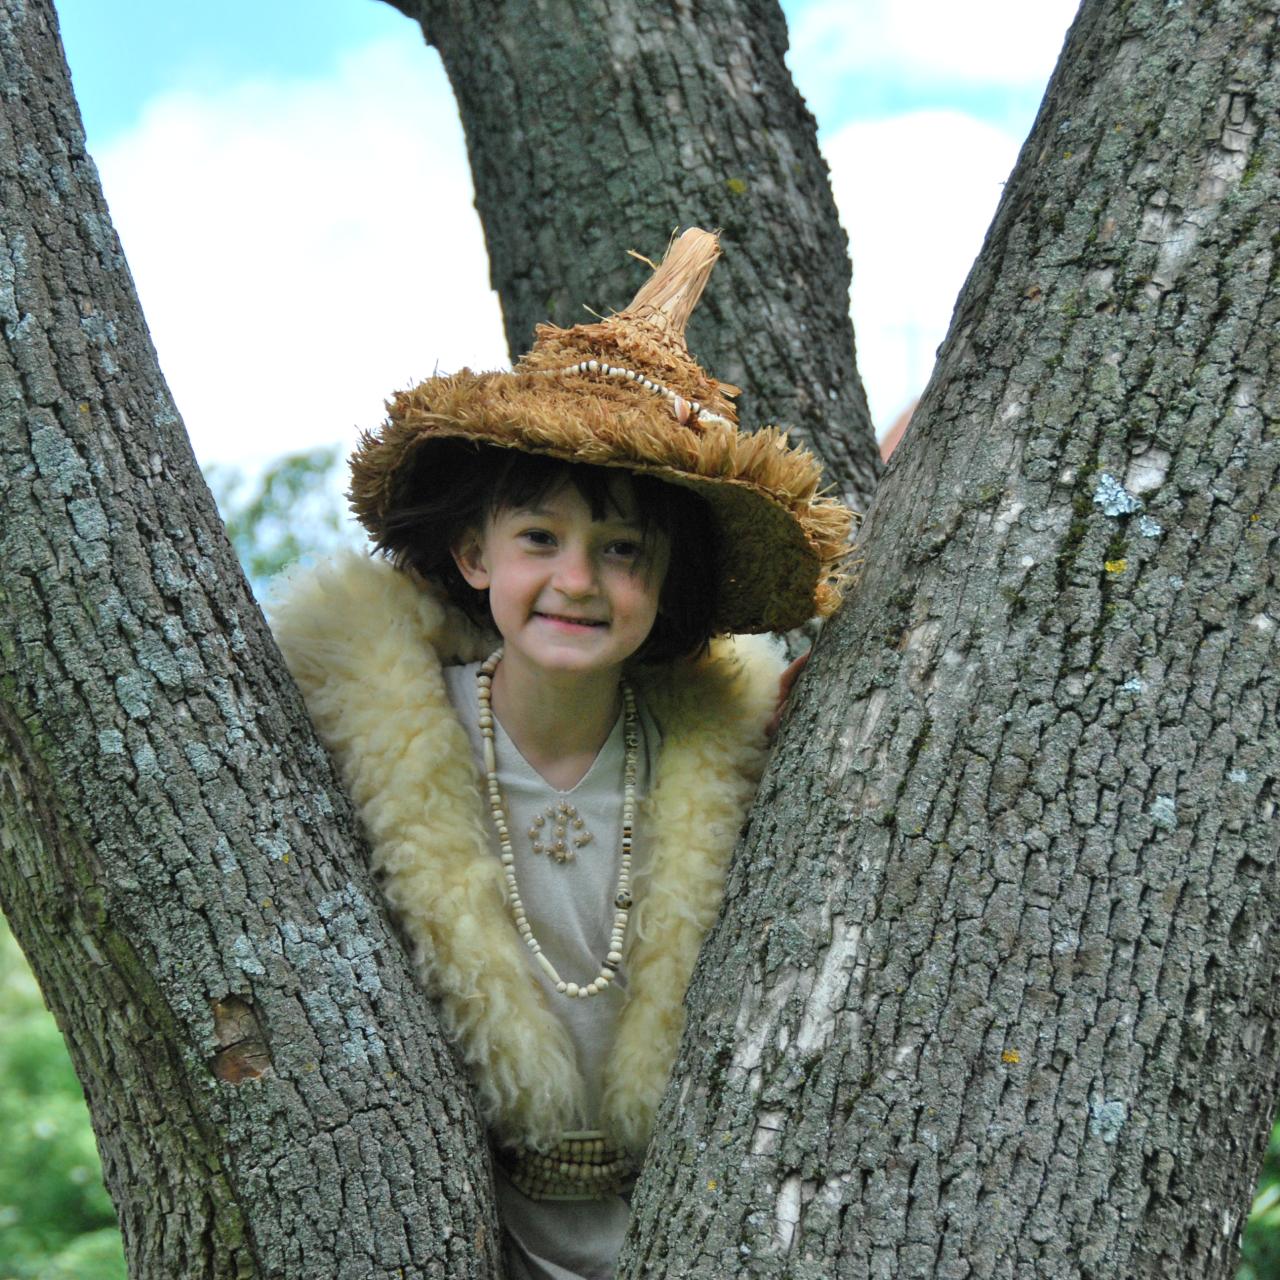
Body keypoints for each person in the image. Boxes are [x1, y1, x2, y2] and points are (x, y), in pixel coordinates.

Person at [269, 228, 853, 1279]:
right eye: (539, 538)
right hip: (463, 1232)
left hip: (686, 1233)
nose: (577, 580)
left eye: (622, 550)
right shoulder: (386, 744)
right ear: (472, 551)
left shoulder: (714, 766)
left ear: (667, 585)